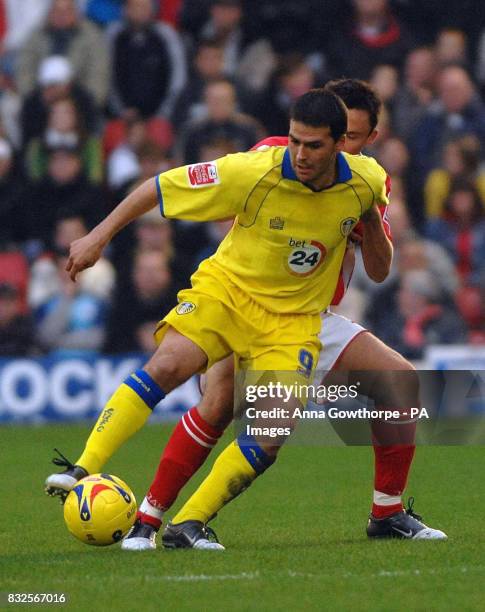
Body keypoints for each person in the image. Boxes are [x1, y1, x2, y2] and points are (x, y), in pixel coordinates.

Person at [45, 83, 445, 549]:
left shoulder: (368, 182)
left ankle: (384, 514)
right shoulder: (260, 164)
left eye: (349, 138)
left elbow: (379, 269)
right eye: (295, 140)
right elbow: (164, 188)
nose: (301, 153)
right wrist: (97, 237)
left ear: (356, 140)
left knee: (390, 386)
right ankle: (126, 501)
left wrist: (370, 219)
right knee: (202, 392)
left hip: (305, 315)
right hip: (234, 296)